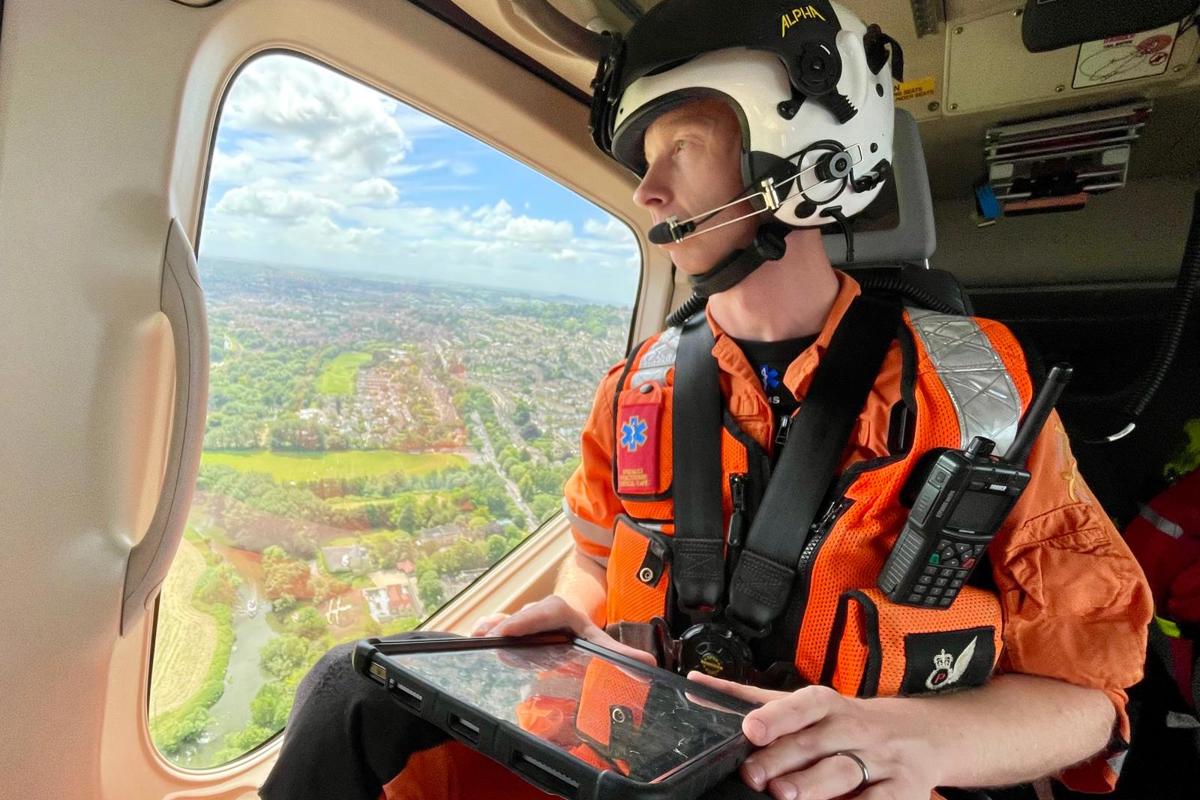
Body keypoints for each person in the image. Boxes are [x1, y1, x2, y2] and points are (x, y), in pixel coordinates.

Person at [258, 2, 1152, 799]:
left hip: (841, 780)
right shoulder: (635, 388)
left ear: (797, 152)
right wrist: (573, 615)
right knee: (352, 689)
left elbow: (1087, 702)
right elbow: (594, 556)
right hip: (645, 756)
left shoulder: (979, 394)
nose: (647, 193)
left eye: (680, 148)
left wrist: (912, 740)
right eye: (645, 163)